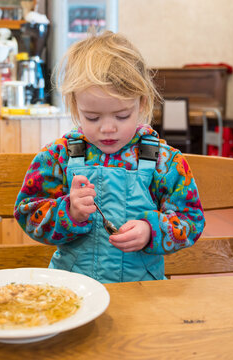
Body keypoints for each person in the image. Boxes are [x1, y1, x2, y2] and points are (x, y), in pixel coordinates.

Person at [14, 31, 205, 283]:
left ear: (142, 103)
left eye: (122, 116)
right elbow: (27, 213)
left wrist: (152, 231)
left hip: (142, 291)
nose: (107, 128)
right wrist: (69, 211)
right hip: (73, 290)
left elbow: (190, 220)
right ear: (74, 105)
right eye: (92, 117)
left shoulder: (164, 162)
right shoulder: (58, 156)